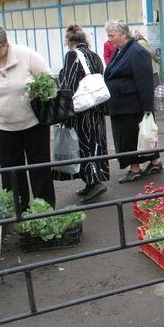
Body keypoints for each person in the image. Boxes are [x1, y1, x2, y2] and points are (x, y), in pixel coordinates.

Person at [0, 22, 56, 211]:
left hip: (34, 123)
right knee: (12, 173)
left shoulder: (26, 55)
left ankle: (44, 210)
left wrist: (38, 90)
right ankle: (18, 211)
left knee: (40, 169)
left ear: (5, 44)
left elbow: (50, 80)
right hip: (2, 126)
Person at [102, 20, 163, 183]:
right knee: (138, 136)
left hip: (131, 105)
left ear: (123, 34)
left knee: (131, 137)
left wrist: (147, 107)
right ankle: (155, 162)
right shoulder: (121, 50)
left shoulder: (136, 51)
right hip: (123, 105)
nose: (109, 39)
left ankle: (134, 168)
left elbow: (144, 81)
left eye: (111, 36)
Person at [58, 24, 110, 203]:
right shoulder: (94, 55)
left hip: (82, 110)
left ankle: (94, 183)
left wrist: (64, 109)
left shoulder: (72, 55)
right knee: (97, 143)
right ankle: (92, 181)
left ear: (69, 41)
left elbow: (69, 84)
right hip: (97, 106)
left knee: (84, 144)